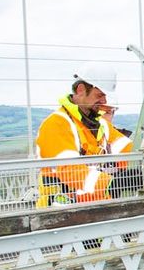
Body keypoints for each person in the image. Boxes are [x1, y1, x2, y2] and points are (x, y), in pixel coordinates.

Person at [35, 64, 133, 204]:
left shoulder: (101, 125)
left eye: (105, 96)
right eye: (99, 95)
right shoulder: (57, 124)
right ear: (81, 90)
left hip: (97, 210)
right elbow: (69, 171)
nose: (104, 101)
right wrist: (111, 184)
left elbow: (130, 152)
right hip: (61, 216)